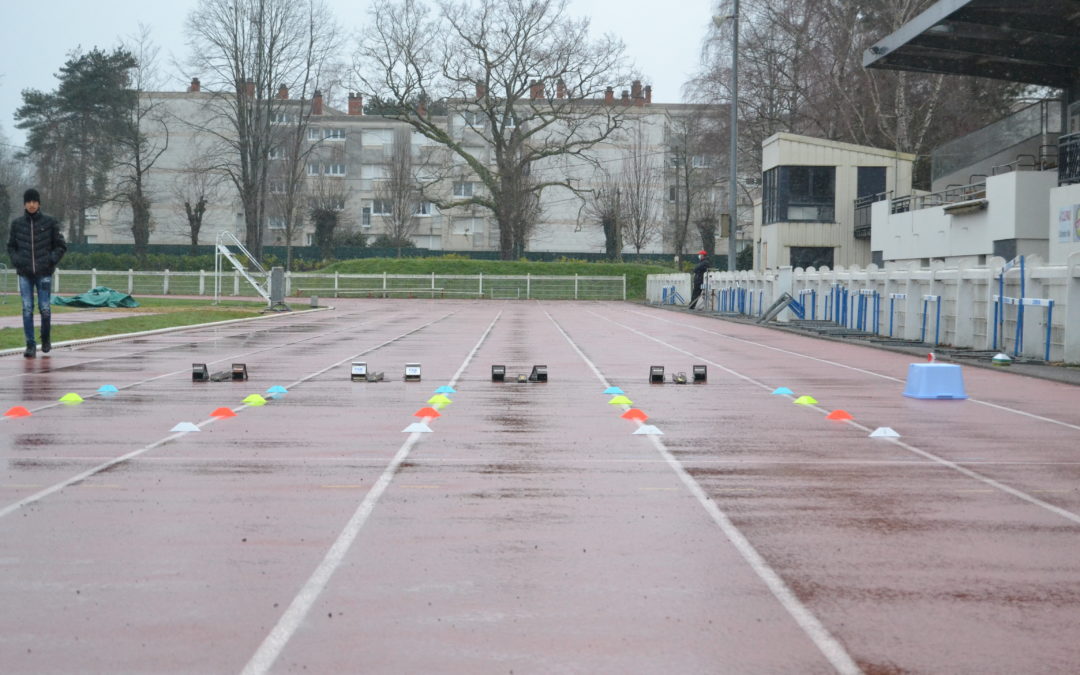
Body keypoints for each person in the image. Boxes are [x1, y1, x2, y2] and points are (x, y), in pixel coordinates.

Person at [7, 188, 67, 357]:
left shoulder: (50, 222)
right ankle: (30, 345)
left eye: (34, 201)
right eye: (28, 201)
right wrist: (17, 261)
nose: (32, 204)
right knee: (27, 308)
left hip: (44, 273)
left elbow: (61, 246)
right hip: (25, 274)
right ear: (24, 204)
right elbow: (11, 246)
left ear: (39, 203)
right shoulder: (17, 224)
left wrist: (50, 260)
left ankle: (45, 339)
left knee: (45, 308)